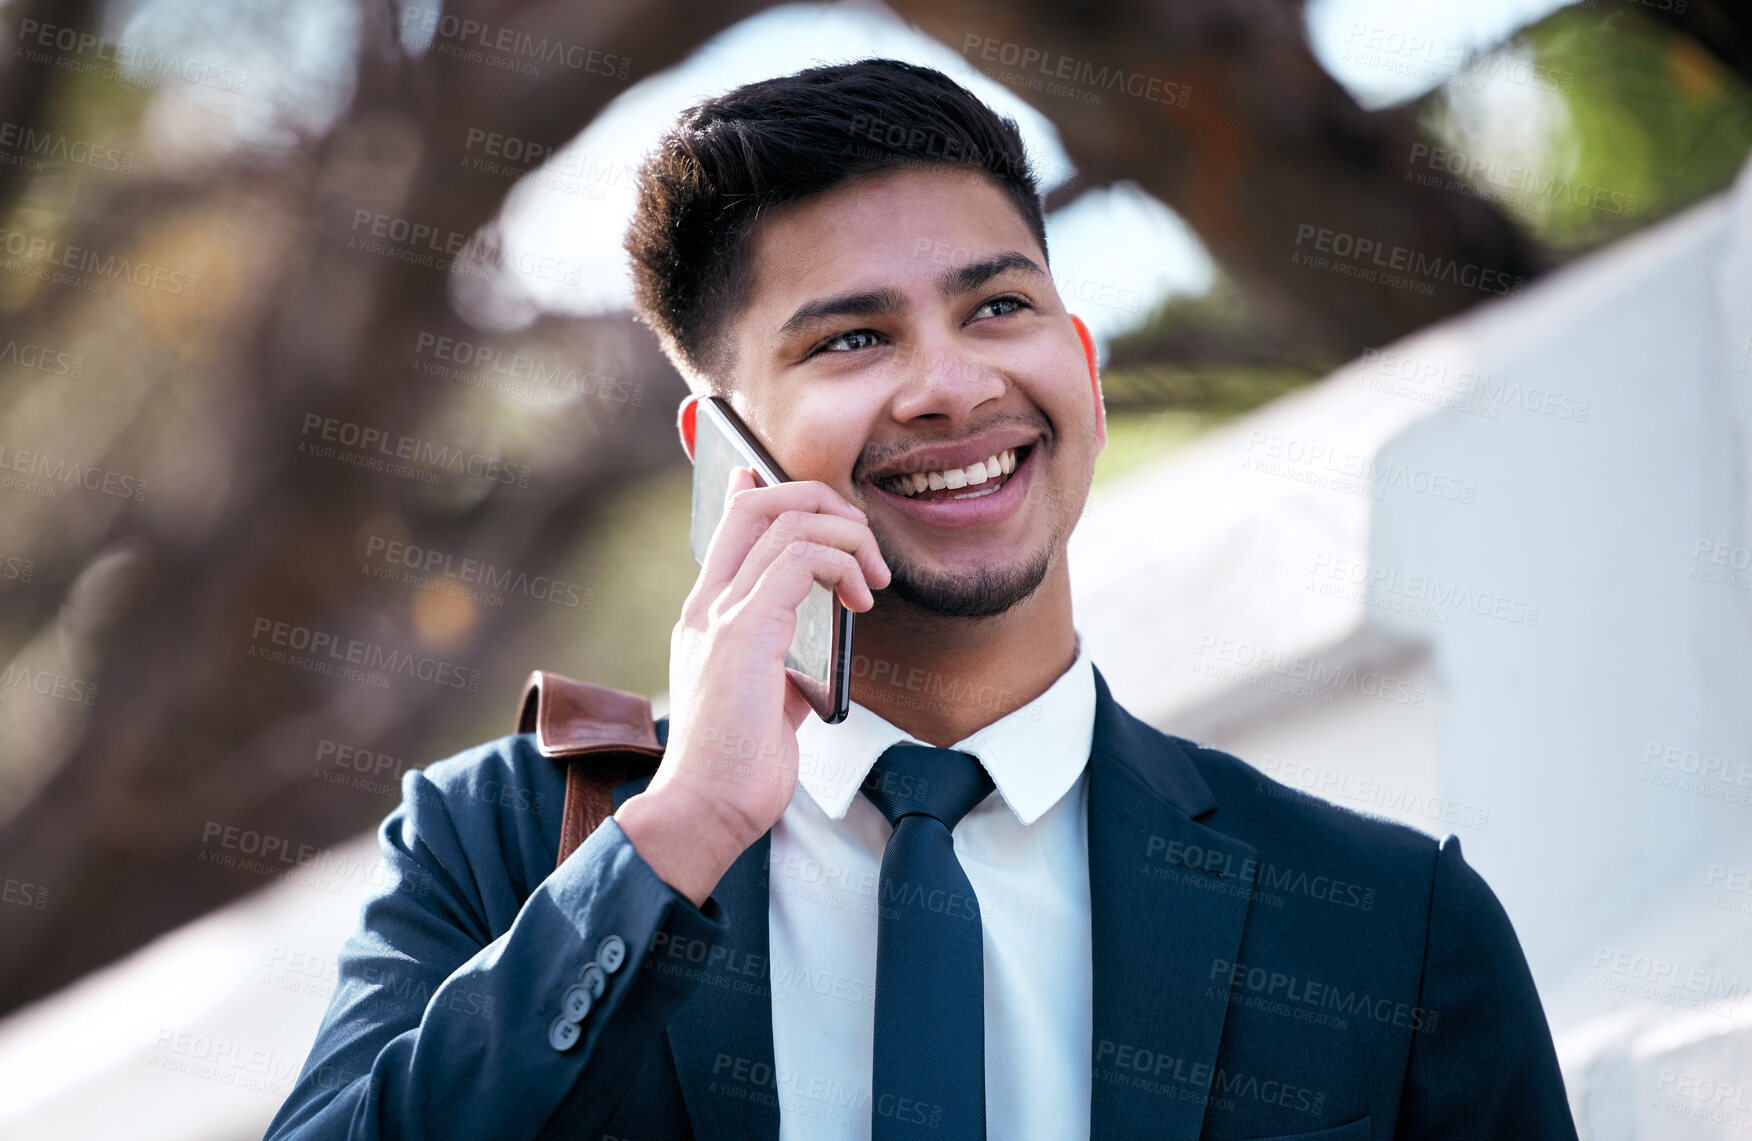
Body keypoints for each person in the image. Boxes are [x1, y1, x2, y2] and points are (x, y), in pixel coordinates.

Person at [265, 58, 1578, 1141]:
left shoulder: (1389, 927)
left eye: (997, 307)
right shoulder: (502, 844)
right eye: (852, 338)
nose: (950, 385)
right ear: (724, 453)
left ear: (1082, 367)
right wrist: (684, 827)